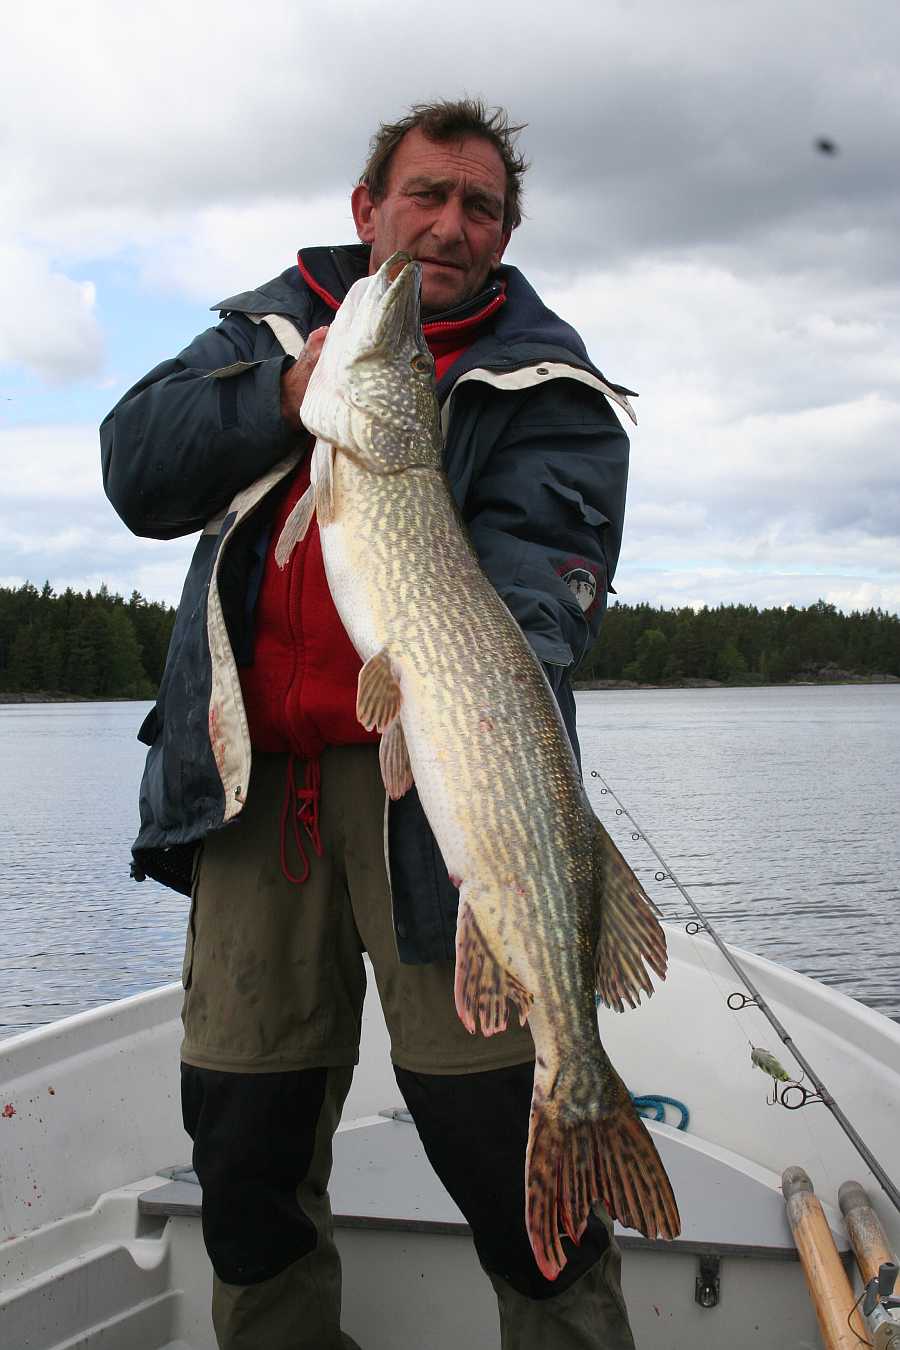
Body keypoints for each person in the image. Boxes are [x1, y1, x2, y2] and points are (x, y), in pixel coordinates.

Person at [101, 98, 638, 1350]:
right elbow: (137, 465)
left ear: (506, 233)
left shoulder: (551, 389)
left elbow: (539, 588)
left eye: (482, 207)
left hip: (445, 797)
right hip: (255, 798)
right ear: (368, 209)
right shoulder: (274, 333)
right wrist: (290, 389)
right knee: (246, 1151)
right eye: (425, 197)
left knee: (495, 1148)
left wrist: (459, 660)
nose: (449, 226)